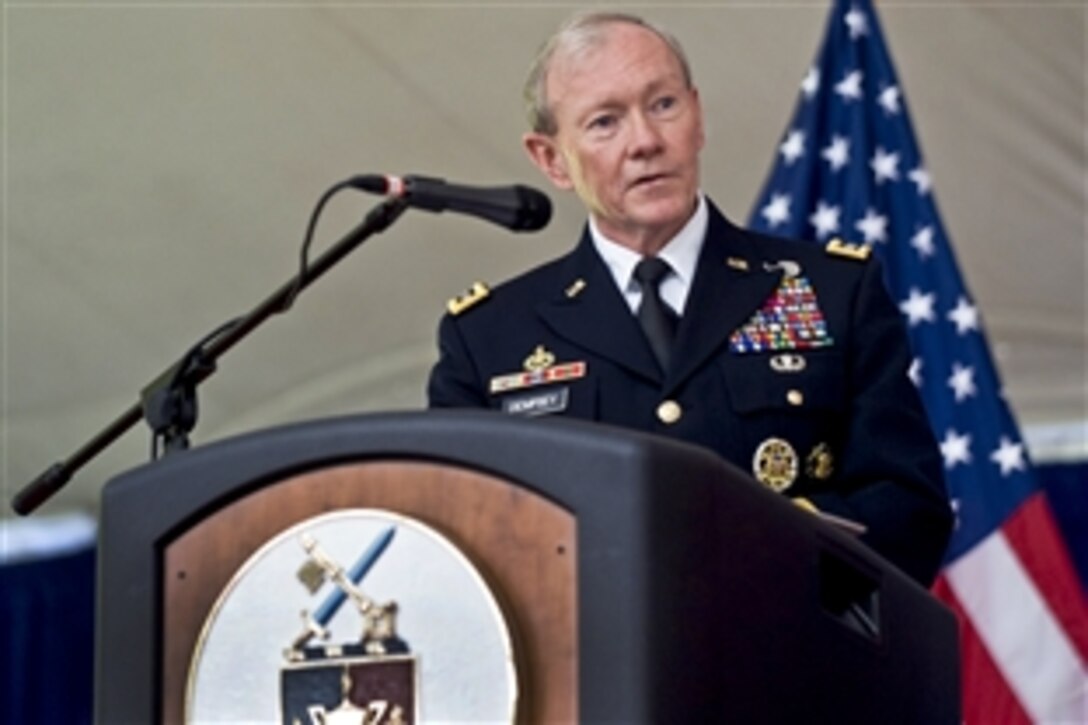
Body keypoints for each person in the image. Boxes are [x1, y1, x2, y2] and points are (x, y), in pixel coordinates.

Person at [427, 11, 952, 586]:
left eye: (663, 105)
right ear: (552, 159)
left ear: (697, 116)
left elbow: (910, 511)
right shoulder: (489, 339)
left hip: (789, 655)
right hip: (592, 667)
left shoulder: (833, 292)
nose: (646, 142)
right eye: (605, 122)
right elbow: (463, 549)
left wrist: (748, 558)